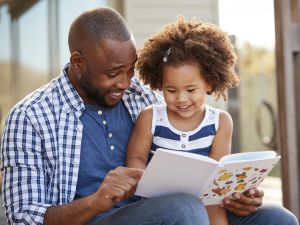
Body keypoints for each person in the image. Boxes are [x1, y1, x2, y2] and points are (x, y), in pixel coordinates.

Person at [0, 6, 298, 225]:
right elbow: (22, 217)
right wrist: (95, 202)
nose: (126, 83)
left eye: (131, 70)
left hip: (174, 210)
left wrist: (236, 190)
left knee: (276, 218)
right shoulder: (31, 117)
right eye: (113, 73)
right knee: (183, 209)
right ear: (78, 62)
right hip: (101, 219)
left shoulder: (141, 95)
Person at [126, 16, 239, 225]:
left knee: (213, 207)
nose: (181, 99)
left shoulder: (220, 122)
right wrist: (144, 178)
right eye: (171, 90)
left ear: (209, 83)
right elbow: (135, 159)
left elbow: (216, 173)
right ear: (160, 85)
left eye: (191, 90)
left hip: (203, 198)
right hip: (158, 200)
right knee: (182, 210)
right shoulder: (151, 117)